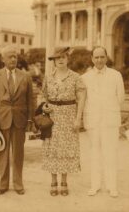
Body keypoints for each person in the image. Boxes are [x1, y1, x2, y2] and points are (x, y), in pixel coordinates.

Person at [0, 45, 33, 195]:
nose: (13, 59)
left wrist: (30, 120)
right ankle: (3, 184)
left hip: (20, 120)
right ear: (3, 59)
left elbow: (30, 100)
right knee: (3, 153)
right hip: (2, 120)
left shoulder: (26, 76)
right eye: (10, 56)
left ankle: (18, 184)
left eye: (15, 56)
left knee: (18, 153)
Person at [41, 47, 86, 196]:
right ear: (53, 61)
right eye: (57, 58)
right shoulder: (48, 77)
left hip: (69, 116)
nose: (60, 60)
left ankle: (64, 181)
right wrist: (44, 106)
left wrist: (78, 119)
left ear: (67, 59)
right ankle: (53, 180)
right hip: (52, 117)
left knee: (66, 148)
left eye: (63, 57)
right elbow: (43, 96)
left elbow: (81, 99)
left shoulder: (75, 77)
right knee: (52, 148)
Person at [82, 46, 125, 198]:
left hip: (110, 121)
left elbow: (120, 98)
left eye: (102, 57)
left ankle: (112, 186)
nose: (99, 60)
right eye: (96, 57)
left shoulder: (115, 75)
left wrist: (108, 110)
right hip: (93, 121)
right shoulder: (85, 77)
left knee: (110, 153)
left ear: (106, 58)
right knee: (94, 153)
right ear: (92, 59)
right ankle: (95, 185)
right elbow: (83, 100)